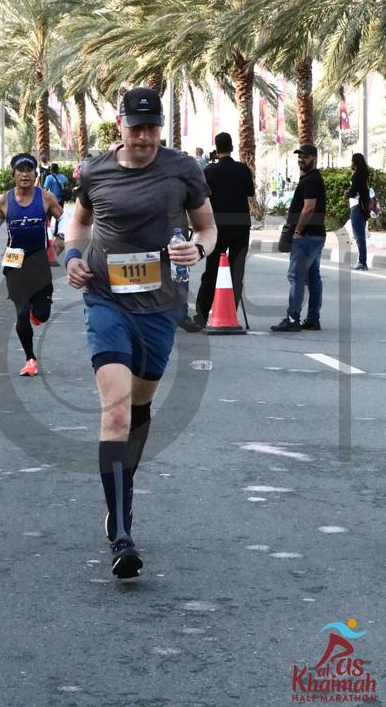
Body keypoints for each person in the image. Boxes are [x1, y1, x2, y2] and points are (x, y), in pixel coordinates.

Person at [65, 87, 217, 579]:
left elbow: (208, 228)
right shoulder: (95, 172)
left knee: (138, 407)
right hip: (105, 300)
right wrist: (72, 258)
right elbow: (78, 225)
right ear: (120, 125)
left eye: (153, 128)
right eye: (136, 128)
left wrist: (199, 249)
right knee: (115, 412)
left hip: (160, 308)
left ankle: (122, 486)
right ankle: (121, 531)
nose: (145, 137)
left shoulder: (183, 170)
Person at [0, 153, 63, 376]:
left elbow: (62, 217)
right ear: (14, 174)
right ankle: (30, 359)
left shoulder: (45, 197)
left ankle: (38, 313)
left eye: (29, 170)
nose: (25, 175)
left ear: (35, 174)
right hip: (14, 259)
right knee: (22, 311)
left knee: (42, 314)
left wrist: (61, 236)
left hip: (39, 259)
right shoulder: (4, 200)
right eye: (21, 170)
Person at [183, 132, 254, 332]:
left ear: (216, 148)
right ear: (232, 147)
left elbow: (202, 196)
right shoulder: (242, 169)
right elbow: (250, 191)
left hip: (219, 226)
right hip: (241, 226)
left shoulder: (209, 171)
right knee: (236, 271)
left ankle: (201, 316)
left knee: (212, 271)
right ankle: (230, 312)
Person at [270, 143, 326, 332]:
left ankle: (293, 318)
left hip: (307, 235)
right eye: (299, 156)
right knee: (313, 277)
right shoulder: (312, 178)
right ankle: (313, 318)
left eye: (305, 157)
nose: (301, 160)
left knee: (296, 277)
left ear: (314, 158)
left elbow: (308, 208)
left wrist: (298, 231)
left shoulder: (311, 180)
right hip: (315, 234)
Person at [344, 153, 370, 271]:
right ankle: (362, 261)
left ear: (354, 162)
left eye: (352, 161)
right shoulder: (364, 174)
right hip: (363, 208)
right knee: (360, 236)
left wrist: (347, 193)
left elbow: (354, 192)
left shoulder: (357, 175)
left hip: (357, 207)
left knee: (359, 237)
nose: (351, 164)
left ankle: (362, 262)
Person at [43, 163, 67, 237]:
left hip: (51, 201)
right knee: (59, 217)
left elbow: (45, 189)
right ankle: (57, 232)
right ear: (58, 169)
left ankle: (47, 232)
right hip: (61, 200)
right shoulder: (63, 176)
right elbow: (66, 183)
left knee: (48, 217)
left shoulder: (49, 177)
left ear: (51, 170)